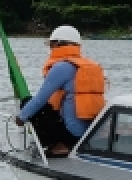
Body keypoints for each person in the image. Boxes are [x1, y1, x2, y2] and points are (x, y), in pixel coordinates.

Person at [15, 25, 107, 158]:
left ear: (58, 44)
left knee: (27, 102)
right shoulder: (90, 66)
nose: (50, 49)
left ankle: (61, 145)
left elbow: (40, 99)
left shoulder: (62, 67)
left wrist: (21, 117)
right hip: (90, 133)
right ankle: (64, 144)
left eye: (51, 45)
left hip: (70, 133)